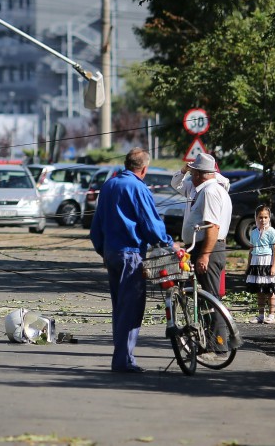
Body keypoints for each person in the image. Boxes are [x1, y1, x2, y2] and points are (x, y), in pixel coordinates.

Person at [89, 147, 175, 373]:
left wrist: (103, 251)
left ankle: (122, 356)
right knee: (131, 307)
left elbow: (96, 225)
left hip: (111, 252)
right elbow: (150, 223)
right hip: (131, 254)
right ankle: (123, 360)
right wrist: (168, 243)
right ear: (144, 169)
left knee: (119, 306)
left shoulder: (108, 185)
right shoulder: (138, 188)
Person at [179, 151, 233, 353]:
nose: (191, 177)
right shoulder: (211, 190)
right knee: (205, 298)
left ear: (201, 174)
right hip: (207, 248)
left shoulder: (210, 192)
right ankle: (210, 341)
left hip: (209, 249)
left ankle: (218, 343)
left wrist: (204, 254)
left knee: (211, 299)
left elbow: (213, 227)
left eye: (194, 173)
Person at [245, 204, 275, 323]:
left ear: (269, 218)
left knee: (270, 290)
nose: (263, 220)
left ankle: (271, 315)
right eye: (260, 217)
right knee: (259, 291)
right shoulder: (254, 232)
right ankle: (261, 315)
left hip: (268, 262)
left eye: (266, 217)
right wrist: (248, 265)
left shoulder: (272, 232)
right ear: (256, 218)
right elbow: (251, 250)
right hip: (256, 262)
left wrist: (273, 266)